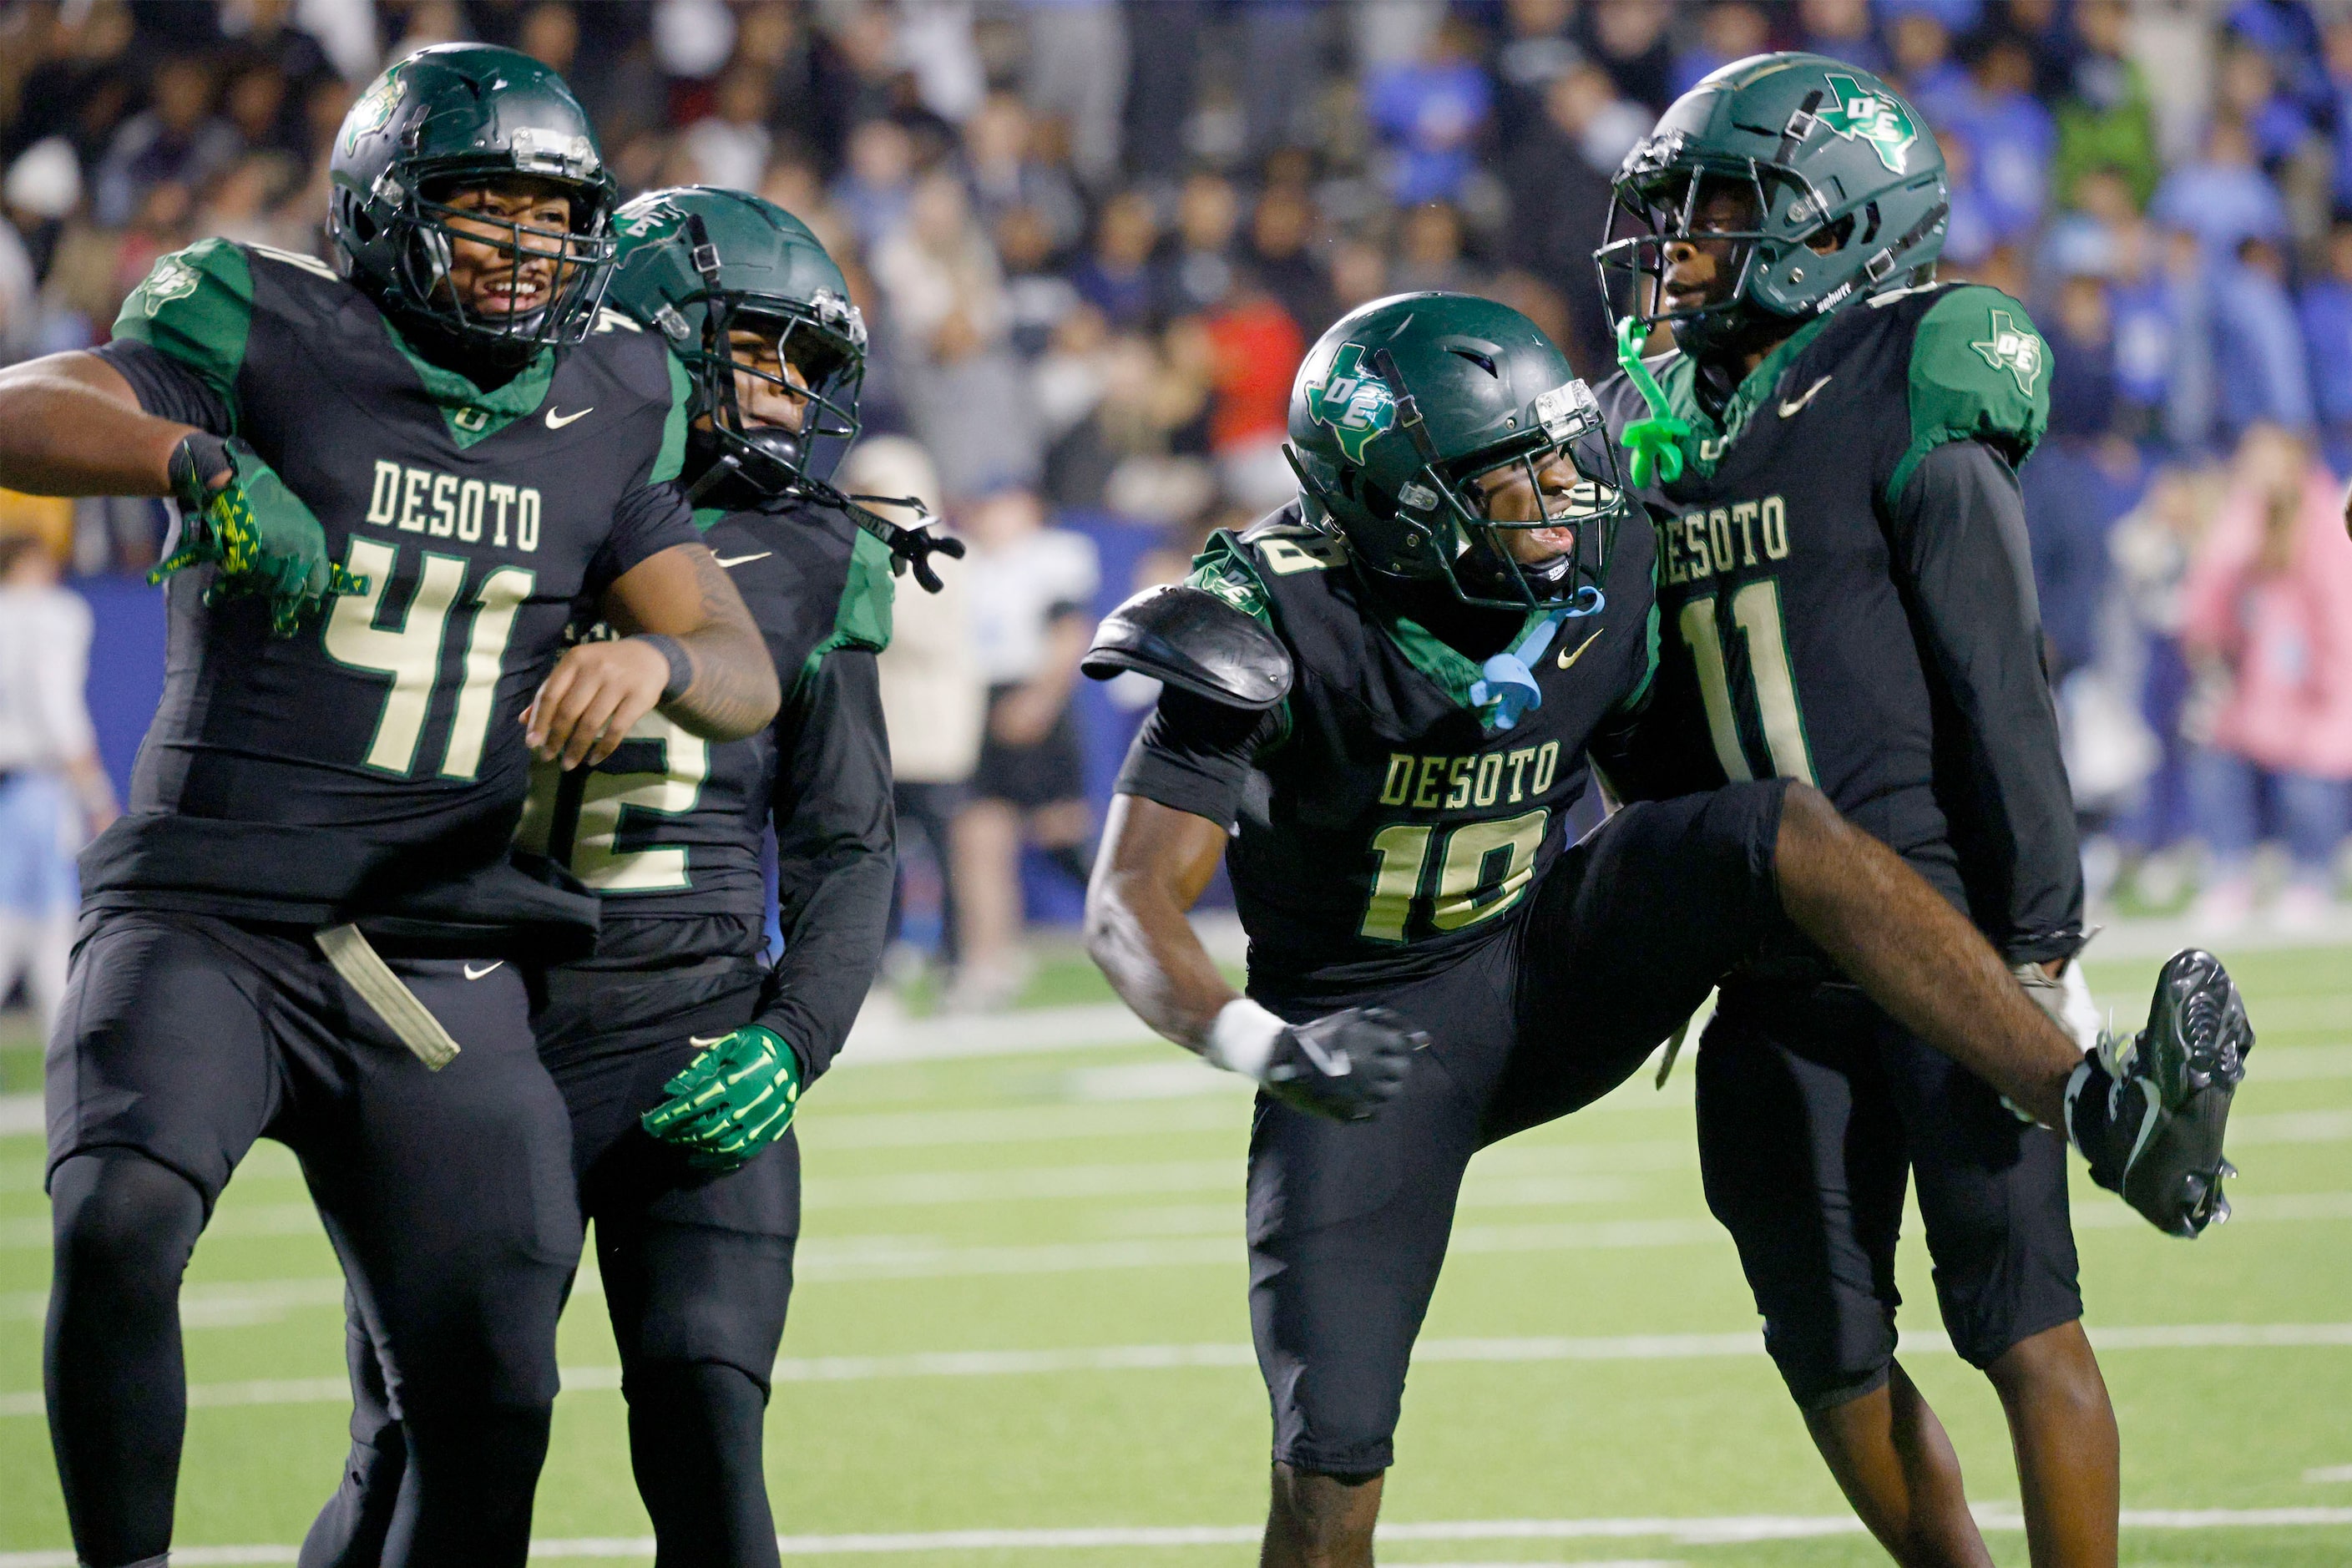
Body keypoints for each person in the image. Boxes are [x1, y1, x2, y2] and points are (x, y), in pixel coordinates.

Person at [1080, 290, 2251, 1568]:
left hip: (1540, 961)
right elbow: (1129, 905)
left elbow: (1665, 779)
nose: (1560, 491)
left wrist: (1714, 934)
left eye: (1556, 451)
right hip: (1365, 1039)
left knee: (1770, 828)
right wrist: (1262, 1046)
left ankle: (2096, 1106)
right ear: (1394, 502)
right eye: (1507, 474)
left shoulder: (1609, 557)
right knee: (1327, 1468)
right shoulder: (1273, 611)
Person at [0, 46, 781, 1567]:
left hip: (433, 947)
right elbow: (18, 405)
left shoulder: (615, 390)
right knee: (116, 1222)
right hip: (209, 909)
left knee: (492, 1386)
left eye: (555, 218)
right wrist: (193, 453)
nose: (527, 249)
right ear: (381, 209)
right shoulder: (266, 319)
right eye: (486, 210)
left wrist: (659, 655)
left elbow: (743, 667)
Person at [1589, 53, 2243, 1568]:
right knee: (1823, 1348)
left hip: (1938, 934)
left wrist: (2038, 937)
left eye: (1723, 206)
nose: (1681, 242)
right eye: (1675, 209)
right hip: (1758, 966)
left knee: (2022, 1322)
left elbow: (1995, 673)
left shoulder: (1913, 361)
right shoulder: (1643, 414)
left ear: (1839, 217)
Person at [302, 185, 935, 1568]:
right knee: (416, 1446)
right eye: (755, 347)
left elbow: (845, 839)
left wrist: (796, 1033)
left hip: (682, 1029)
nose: (785, 390)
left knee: (708, 1429)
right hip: (464, 1030)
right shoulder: (482, 480)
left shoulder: (816, 551)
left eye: (807, 361)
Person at [0, 531, 115, 1034]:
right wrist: (94, 792)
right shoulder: (53, 613)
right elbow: (56, 707)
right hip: (37, 786)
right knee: (46, 927)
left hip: (16, 785)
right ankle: (66, 1053)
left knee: (28, 923)